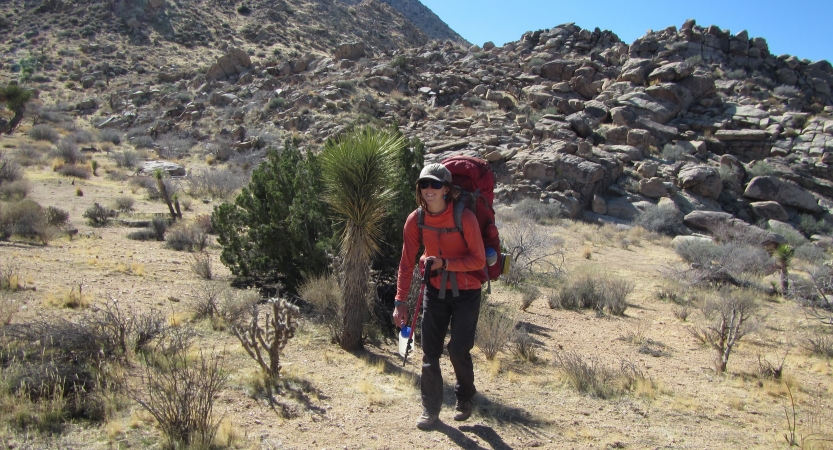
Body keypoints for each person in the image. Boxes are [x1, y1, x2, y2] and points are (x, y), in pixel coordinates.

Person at [392, 163, 486, 430]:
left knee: (458, 350)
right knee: (429, 353)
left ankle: (465, 397)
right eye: (424, 184)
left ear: (447, 189)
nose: (429, 189)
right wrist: (400, 302)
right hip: (434, 291)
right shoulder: (416, 220)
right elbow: (406, 263)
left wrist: (445, 263)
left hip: (467, 292)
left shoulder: (464, 218)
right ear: (419, 189)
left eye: (435, 184)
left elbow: (478, 260)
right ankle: (430, 410)